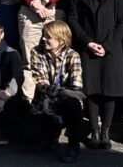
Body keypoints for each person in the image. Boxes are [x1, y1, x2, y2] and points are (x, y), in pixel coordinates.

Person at [65, 0, 123, 150]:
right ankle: (94, 129)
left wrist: (106, 46)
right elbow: (72, 19)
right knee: (90, 90)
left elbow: (122, 23)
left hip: (111, 49)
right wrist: (87, 42)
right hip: (87, 47)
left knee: (109, 90)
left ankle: (105, 131)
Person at [28, 21, 85, 163]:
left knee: (74, 105)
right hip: (44, 100)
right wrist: (64, 92)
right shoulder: (36, 52)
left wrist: (63, 95)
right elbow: (41, 84)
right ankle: (51, 134)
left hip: (63, 102)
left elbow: (76, 87)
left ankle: (73, 147)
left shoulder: (73, 55)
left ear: (61, 39)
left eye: (48, 37)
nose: (43, 39)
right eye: (43, 35)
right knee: (29, 137)